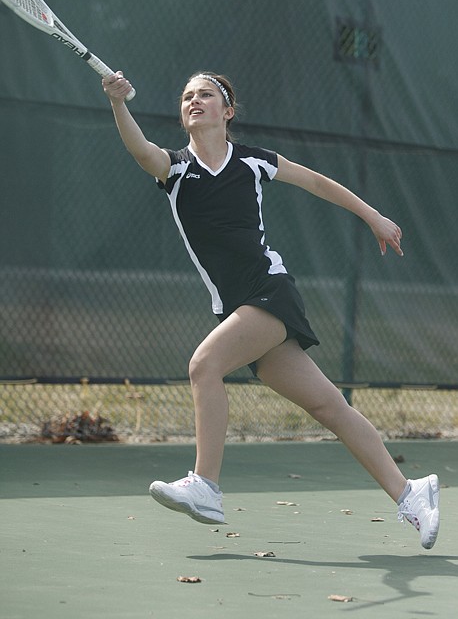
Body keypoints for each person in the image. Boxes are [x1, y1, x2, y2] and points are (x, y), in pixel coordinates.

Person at [102, 70, 440, 550]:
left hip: (269, 292)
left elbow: (318, 183)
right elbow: (141, 151)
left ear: (227, 110)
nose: (194, 101)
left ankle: (206, 485)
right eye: (187, 97)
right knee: (330, 406)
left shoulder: (254, 161)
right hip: (237, 308)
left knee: (204, 365)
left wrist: (374, 217)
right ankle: (412, 493)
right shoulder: (175, 169)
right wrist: (118, 104)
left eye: (205, 95)